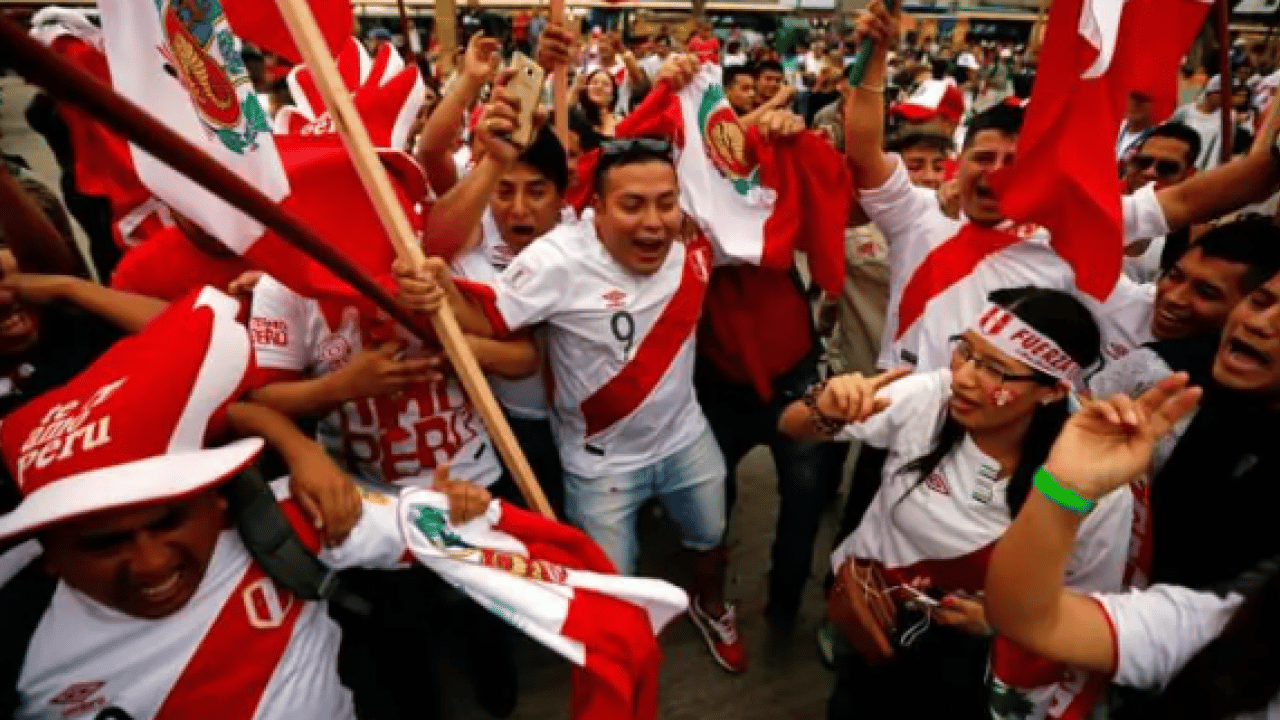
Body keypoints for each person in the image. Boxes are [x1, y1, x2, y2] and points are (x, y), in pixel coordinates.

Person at [0, 288, 500, 720]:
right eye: (105, 543)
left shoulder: (286, 520)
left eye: (168, 521)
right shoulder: (18, 633)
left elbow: (459, 536)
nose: (152, 564)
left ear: (217, 502)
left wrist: (461, 511)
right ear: (47, 554)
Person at [402, 136, 749, 674]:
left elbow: (753, 193)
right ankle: (624, 663)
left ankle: (711, 607)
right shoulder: (557, 259)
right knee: (611, 588)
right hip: (598, 467)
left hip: (687, 440)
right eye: (632, 205)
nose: (653, 222)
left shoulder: (693, 238)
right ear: (596, 211)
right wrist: (440, 289)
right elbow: (486, 320)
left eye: (665, 202)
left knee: (710, 541)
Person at [847, 0, 1280, 375]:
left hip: (1007, 430)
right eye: (983, 158)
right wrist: (876, 54)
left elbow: (1185, 201)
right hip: (901, 417)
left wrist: (1269, 160)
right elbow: (865, 151)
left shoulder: (1069, 226)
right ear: (958, 164)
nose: (996, 172)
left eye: (1013, 162)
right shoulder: (917, 216)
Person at [781, 287, 1129, 719]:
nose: (963, 377)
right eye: (965, 350)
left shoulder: (1089, 482)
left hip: (976, 666)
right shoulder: (932, 398)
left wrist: (1000, 623)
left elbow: (1091, 606)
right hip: (874, 618)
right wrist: (830, 405)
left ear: (1052, 391)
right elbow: (794, 425)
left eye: (997, 371)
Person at [447, 126, 573, 513]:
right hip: (509, 426)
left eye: (536, 191)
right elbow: (433, 155)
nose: (518, 208)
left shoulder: (588, 245)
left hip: (585, 430)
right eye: (504, 191)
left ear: (561, 197)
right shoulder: (469, 255)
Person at [1119, 123, 1200, 282]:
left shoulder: (1191, 232)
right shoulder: (1097, 200)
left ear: (1189, 175)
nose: (1150, 172)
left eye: (1167, 167)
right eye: (1143, 162)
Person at [575, 68, 620, 138]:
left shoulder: (620, 122)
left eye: (606, 84)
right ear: (586, 89)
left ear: (613, 93)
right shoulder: (577, 120)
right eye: (594, 82)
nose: (599, 87)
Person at [1117, 91, 1158, 161]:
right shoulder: (1119, 130)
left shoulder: (1154, 137)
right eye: (1131, 107)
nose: (1132, 112)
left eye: (1138, 107)